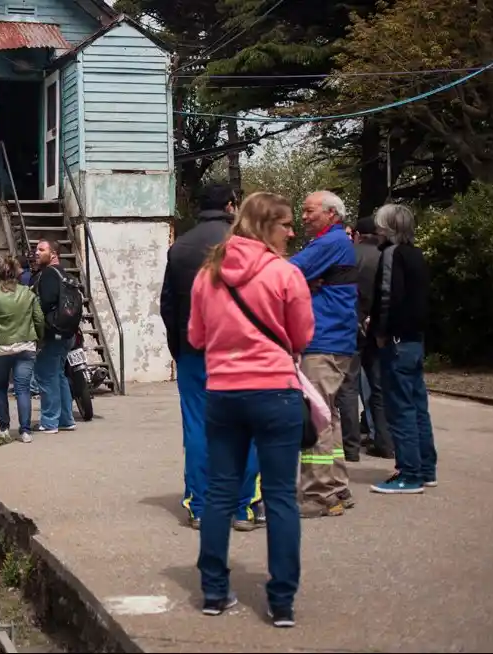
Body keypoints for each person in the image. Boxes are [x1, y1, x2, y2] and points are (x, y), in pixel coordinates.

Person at [187, 191, 312, 628]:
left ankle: (214, 593)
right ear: (266, 225)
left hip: (222, 392)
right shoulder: (284, 273)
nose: (292, 232)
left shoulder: (209, 274)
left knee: (220, 493)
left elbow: (196, 337)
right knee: (280, 497)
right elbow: (302, 336)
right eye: (286, 224)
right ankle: (281, 603)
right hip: (275, 392)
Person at [161, 181, 239, 530]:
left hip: (193, 350)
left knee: (197, 424)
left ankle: (201, 504)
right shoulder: (243, 244)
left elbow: (167, 304)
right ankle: (242, 506)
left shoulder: (179, 248)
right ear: (231, 206)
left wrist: (177, 346)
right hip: (239, 351)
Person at [289, 191, 360, 518]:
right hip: (335, 341)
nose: (303, 217)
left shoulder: (328, 244)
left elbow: (287, 273)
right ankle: (336, 487)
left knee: (316, 417)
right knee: (327, 416)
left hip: (323, 341)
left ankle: (319, 495)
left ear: (332, 213)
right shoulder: (335, 243)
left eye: (308, 211)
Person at [367, 204, 437, 494]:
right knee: (418, 405)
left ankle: (409, 473)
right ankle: (425, 468)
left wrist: (381, 332)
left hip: (395, 341)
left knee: (400, 409)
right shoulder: (417, 254)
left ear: (388, 227)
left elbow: (387, 297)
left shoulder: (391, 255)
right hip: (414, 339)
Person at [336, 216, 393, 460]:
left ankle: (351, 448)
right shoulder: (386, 256)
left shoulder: (349, 254)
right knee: (379, 385)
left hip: (352, 325)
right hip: (379, 327)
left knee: (348, 385)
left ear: (357, 234)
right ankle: (385, 441)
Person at [0, 255, 45, 443]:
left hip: (0, 349)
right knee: (23, 389)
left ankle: (4, 428)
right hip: (26, 346)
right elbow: (39, 319)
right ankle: (25, 432)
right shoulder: (28, 293)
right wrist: (39, 339)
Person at [31, 239, 78, 434]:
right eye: (36, 249)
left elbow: (46, 303)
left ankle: (50, 421)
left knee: (45, 375)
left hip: (53, 333)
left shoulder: (49, 273)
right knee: (58, 375)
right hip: (67, 333)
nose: (36, 252)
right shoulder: (64, 273)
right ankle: (66, 419)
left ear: (53, 254)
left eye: (41, 249)